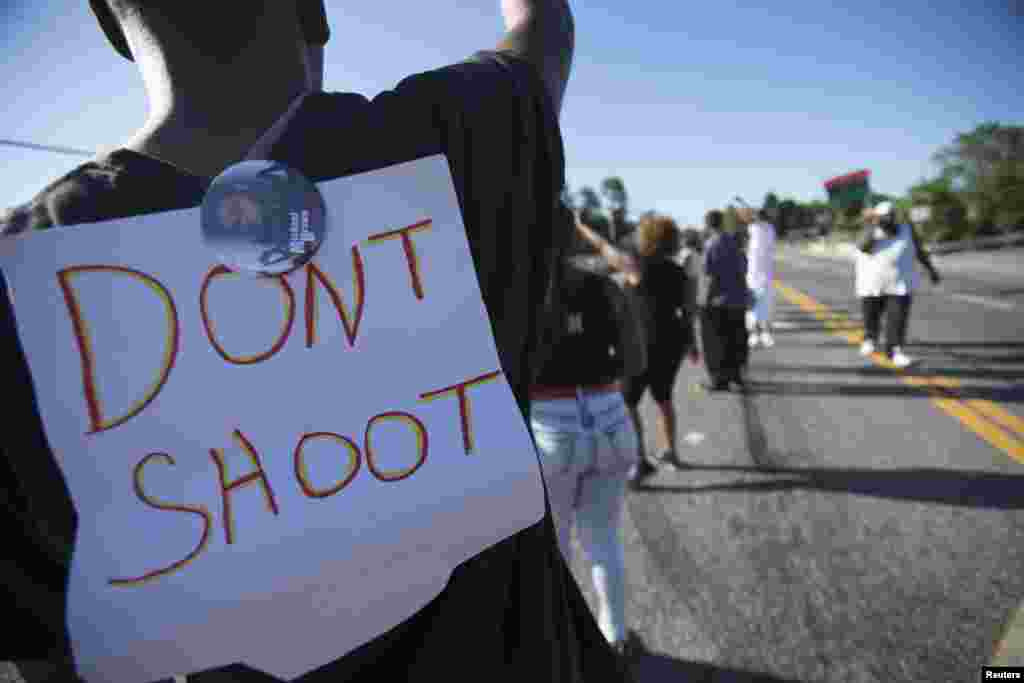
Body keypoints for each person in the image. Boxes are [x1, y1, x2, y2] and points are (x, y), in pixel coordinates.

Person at [1, 2, 631, 681]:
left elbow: (45, 643)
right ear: (313, 13)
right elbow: (544, 30)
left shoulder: (21, 284)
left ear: (104, 20)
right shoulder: (459, 135)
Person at [529, 205, 645, 666]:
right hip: (610, 415)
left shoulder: (518, 292)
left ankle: (558, 647)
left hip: (548, 421)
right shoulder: (603, 286)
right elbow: (635, 358)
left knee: (552, 550)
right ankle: (615, 638)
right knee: (605, 540)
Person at [572, 210, 696, 481]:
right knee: (664, 398)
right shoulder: (679, 272)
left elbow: (604, 248)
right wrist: (692, 344)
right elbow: (688, 311)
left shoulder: (636, 267)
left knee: (628, 403)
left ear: (648, 238)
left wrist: (581, 227)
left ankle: (640, 459)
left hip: (641, 343)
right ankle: (671, 452)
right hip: (670, 343)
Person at [854, 201, 941, 368]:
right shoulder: (871, 229)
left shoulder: (907, 229)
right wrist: (874, 225)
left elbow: (919, 250)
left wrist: (931, 270)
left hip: (900, 283)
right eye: (886, 216)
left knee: (897, 319)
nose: (891, 219)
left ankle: (895, 351)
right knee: (871, 316)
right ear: (878, 217)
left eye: (893, 215)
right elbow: (863, 247)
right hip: (872, 283)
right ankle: (870, 338)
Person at [699, 209, 750, 391]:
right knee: (736, 340)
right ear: (721, 223)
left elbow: (708, 274)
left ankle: (719, 380)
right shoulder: (735, 242)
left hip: (719, 302)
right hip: (738, 299)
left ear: (707, 225)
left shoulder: (710, 245)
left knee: (717, 342)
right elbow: (744, 266)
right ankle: (736, 378)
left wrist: (705, 299)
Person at [737, 206, 777, 349]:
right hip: (752, 273)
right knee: (752, 305)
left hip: (766, 273)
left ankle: (765, 332)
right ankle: (753, 333)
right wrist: (752, 216)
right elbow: (746, 219)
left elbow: (756, 222)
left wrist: (755, 217)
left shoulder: (768, 230)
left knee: (765, 304)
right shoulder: (752, 228)